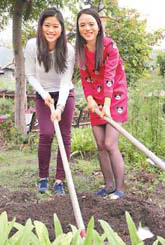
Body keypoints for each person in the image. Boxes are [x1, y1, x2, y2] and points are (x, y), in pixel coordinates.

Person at [75, 8, 128, 199]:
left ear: (98, 26)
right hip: (96, 100)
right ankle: (108, 185)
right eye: (82, 25)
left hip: (114, 97)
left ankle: (120, 189)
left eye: (91, 24)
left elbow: (110, 77)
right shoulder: (80, 50)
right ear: (78, 28)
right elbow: (85, 78)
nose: (87, 28)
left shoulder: (109, 47)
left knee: (110, 143)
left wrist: (106, 105)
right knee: (99, 144)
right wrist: (90, 101)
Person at [24, 8, 75, 195]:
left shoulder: (67, 50)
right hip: (42, 94)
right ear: (41, 26)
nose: (51, 30)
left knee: (65, 135)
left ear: (61, 28)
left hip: (64, 94)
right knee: (46, 133)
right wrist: (44, 94)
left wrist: (60, 107)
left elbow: (65, 80)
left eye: (55, 26)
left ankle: (60, 180)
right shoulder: (32, 45)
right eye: (47, 25)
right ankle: (43, 178)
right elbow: (30, 74)